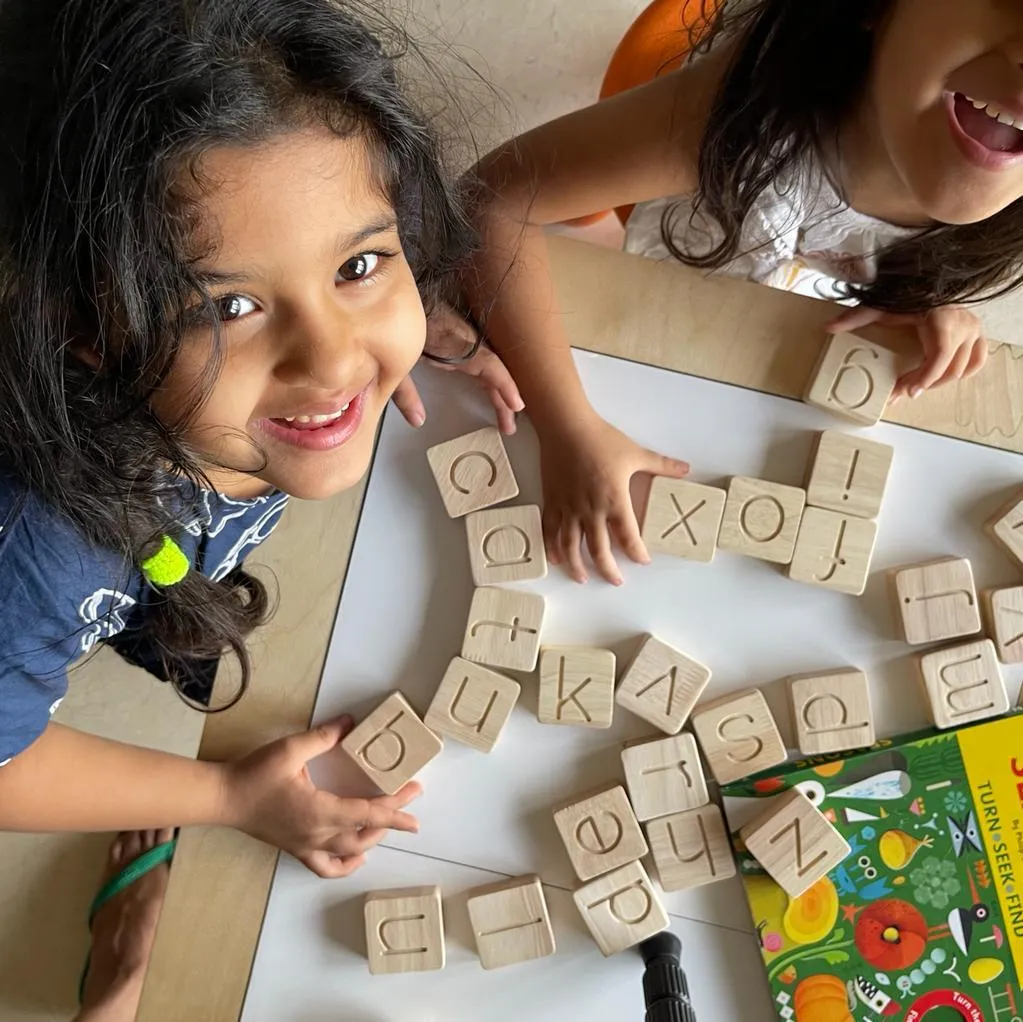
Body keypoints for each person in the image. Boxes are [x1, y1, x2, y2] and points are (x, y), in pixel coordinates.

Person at [0, 0, 519, 1017]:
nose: (327, 354)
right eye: (230, 307)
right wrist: (231, 796)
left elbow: (340, 344)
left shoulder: (305, 376)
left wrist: (395, 354)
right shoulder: (32, 558)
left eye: (359, 264)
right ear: (87, 334)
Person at [466, 0, 1020, 585]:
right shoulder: (743, 120)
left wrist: (937, 305)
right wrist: (568, 428)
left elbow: (921, 258)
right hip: (676, 262)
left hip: (760, 321)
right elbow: (489, 201)